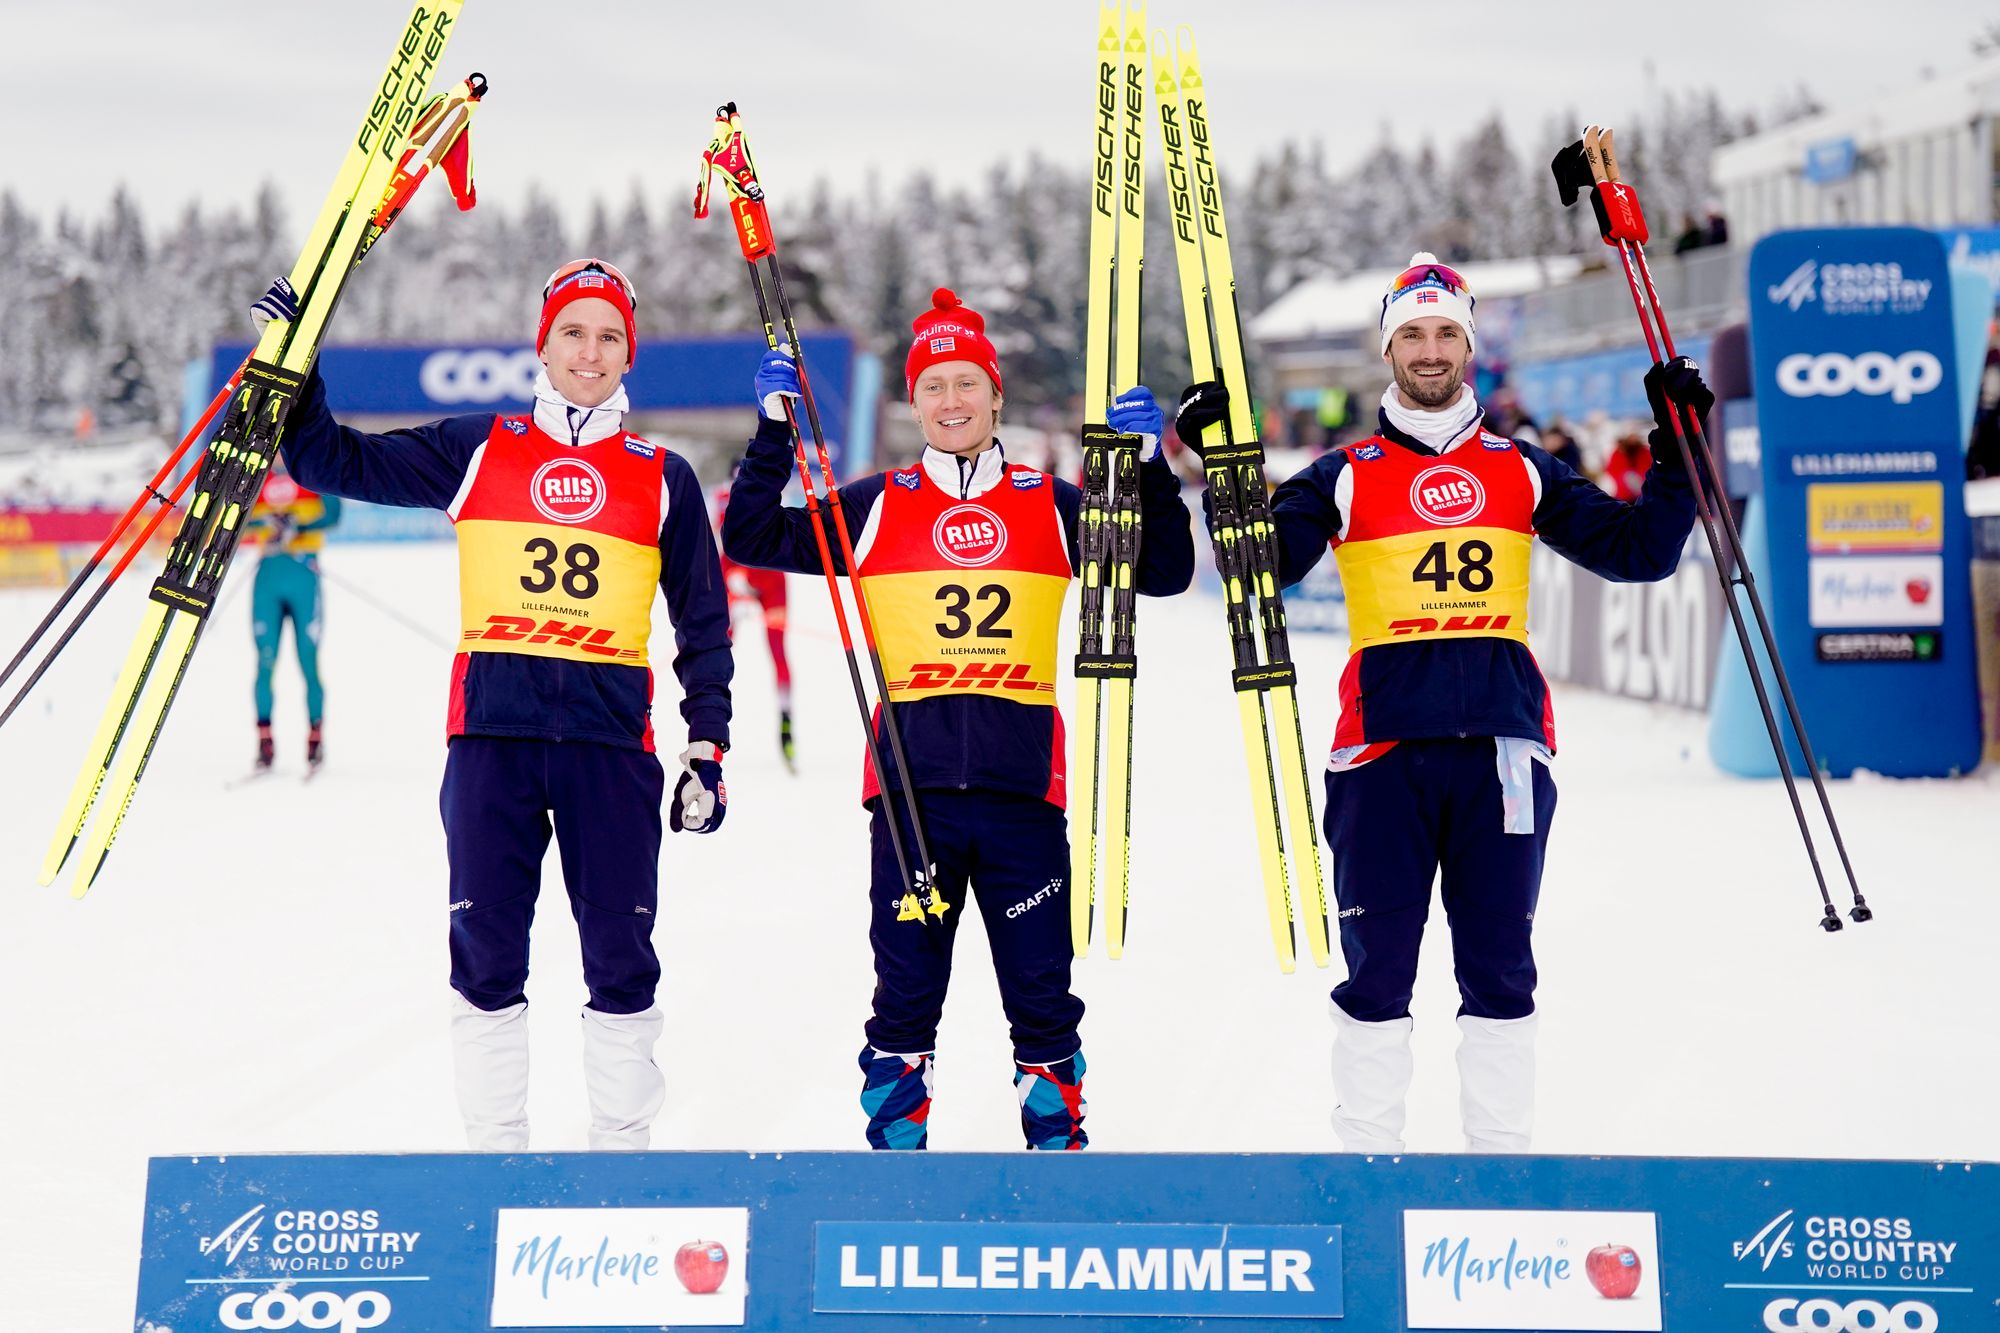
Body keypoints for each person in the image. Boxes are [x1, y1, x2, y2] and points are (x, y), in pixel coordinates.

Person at [1174, 253, 1703, 1153]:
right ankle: (1368, 1167)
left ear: (1468, 346)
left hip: (1504, 752)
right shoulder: (1343, 473)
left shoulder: (1522, 469)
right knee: (1377, 977)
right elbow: (1256, 567)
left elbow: (1640, 552)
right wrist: (1220, 464)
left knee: (1500, 972)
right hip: (1380, 755)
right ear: (1388, 349)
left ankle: (1499, 1173)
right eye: (1412, 333)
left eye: (1445, 333)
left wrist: (1678, 443)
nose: (1429, 349)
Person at [260, 259, 734, 1151]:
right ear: (542, 347)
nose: (590, 352)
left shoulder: (663, 476)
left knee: (622, 959)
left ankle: (620, 1162)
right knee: (485, 959)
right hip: (491, 744)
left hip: (610, 749)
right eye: (573, 333)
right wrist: (298, 357)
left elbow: (703, 625)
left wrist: (707, 743)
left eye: (609, 336)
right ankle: (494, 1159)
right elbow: (328, 458)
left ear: (628, 352)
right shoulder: (480, 447)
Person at [722, 288, 1195, 1151]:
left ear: (995, 395)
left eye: (966, 382)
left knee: (1042, 999)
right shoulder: (874, 504)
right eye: (933, 385)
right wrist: (773, 432)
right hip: (912, 800)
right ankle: (896, 1170)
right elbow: (749, 534)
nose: (951, 401)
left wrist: (1150, 469)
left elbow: (1165, 569)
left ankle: (1056, 1162)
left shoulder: (1051, 503)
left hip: (1023, 796)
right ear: (914, 402)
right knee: (905, 999)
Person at [246, 459, 342, 774]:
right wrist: (266, 523)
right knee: (265, 661)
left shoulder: (311, 471)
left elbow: (334, 513)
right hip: (268, 580)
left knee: (308, 660)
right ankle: (265, 741)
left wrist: (298, 527)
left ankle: (315, 737)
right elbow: (236, 520)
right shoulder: (258, 479)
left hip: (304, 577)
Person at [713, 477, 796, 770]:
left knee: (777, 647)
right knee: (719, 644)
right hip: (735, 568)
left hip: (770, 574)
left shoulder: (769, 487)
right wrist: (735, 591)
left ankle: (786, 721)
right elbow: (720, 536)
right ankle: (710, 717)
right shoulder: (723, 494)